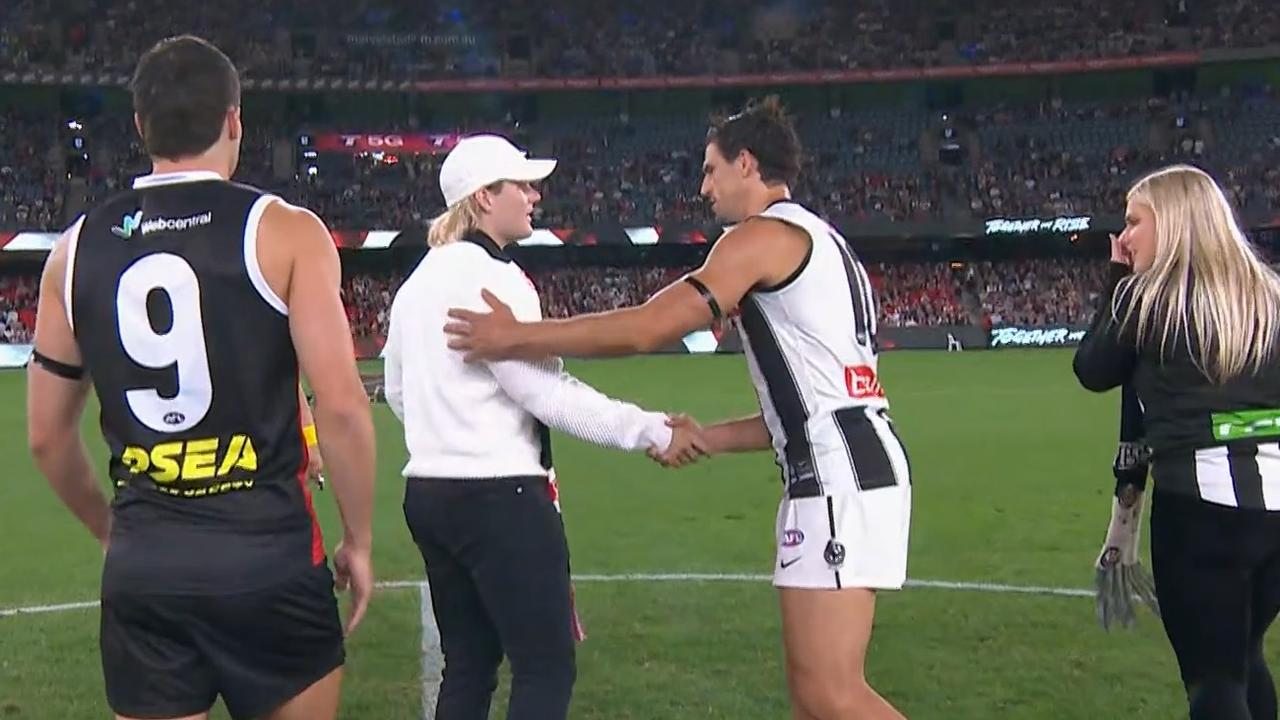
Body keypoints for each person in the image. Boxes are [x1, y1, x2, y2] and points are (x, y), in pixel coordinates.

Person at [444, 99, 912, 720]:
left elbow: (649, 327)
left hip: (836, 476)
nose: (703, 187)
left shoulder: (761, 237)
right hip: (844, 461)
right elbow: (809, 407)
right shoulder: (822, 239)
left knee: (832, 693)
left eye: (711, 170)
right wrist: (708, 439)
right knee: (813, 698)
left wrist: (514, 338)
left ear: (746, 164)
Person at [25, 35, 376, 720]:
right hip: (270, 560)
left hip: (147, 567)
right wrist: (358, 540)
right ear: (234, 119)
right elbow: (339, 403)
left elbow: (45, 437)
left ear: (139, 127)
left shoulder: (72, 251)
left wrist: (110, 532)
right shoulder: (286, 232)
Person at [383, 133, 703, 720]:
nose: (535, 196)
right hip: (500, 496)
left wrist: (449, 435)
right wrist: (651, 429)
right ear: (483, 198)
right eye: (522, 185)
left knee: (469, 665)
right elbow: (546, 394)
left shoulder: (415, 284)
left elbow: (400, 392)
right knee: (545, 667)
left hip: (428, 492)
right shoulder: (499, 279)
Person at [1074, 164, 1280, 720]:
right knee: (1245, 657)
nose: (1124, 238)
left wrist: (1116, 280)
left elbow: (1092, 368)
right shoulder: (1269, 294)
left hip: (1200, 506)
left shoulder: (1146, 298)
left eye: (1134, 221)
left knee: (1214, 681)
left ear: (1172, 224)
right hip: (1277, 505)